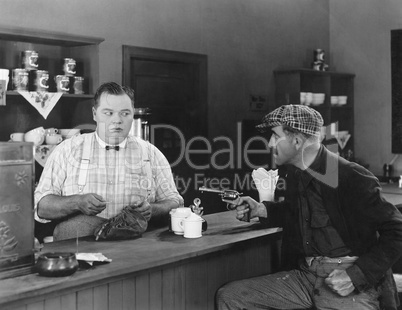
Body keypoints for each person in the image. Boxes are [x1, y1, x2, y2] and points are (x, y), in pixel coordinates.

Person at [216, 104, 402, 310]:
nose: (269, 143)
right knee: (231, 297)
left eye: (275, 136)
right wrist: (261, 209)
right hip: (305, 276)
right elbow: (297, 213)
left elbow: (397, 231)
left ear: (296, 141)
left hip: (345, 280)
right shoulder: (296, 172)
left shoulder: (350, 175)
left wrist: (356, 275)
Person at [35, 82, 183, 240]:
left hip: (138, 254)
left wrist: (152, 209)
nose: (117, 120)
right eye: (108, 113)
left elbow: (175, 203)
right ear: (94, 114)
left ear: (133, 114)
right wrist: (77, 202)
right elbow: (42, 207)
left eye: (125, 113)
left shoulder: (151, 154)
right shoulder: (67, 151)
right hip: (81, 253)